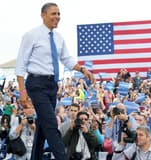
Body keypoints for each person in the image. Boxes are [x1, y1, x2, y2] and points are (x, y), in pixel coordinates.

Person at [15, 3, 94, 160]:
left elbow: (67, 59)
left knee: (43, 127)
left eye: (58, 13)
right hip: (36, 84)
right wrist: (22, 92)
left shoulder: (58, 38)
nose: (57, 17)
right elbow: (20, 64)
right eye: (53, 13)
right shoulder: (31, 35)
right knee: (51, 125)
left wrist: (83, 69)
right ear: (43, 15)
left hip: (52, 86)